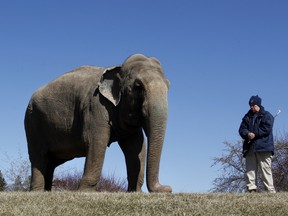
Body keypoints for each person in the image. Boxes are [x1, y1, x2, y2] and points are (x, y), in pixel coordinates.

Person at [239, 95, 276, 193]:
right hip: (250, 147)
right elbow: (241, 129)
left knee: (265, 170)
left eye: (253, 105)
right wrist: (247, 134)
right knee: (250, 170)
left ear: (258, 105)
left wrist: (254, 134)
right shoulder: (247, 116)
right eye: (250, 105)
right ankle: (251, 190)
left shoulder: (267, 115)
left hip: (264, 147)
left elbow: (266, 129)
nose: (251, 107)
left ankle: (270, 191)